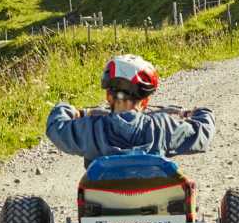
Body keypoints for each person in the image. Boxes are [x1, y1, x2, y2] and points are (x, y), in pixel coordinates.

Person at [44, 53, 215, 159]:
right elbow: (203, 133)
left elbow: (56, 127)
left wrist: (68, 110)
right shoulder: (163, 127)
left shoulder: (90, 129)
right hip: (157, 207)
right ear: (145, 101)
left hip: (104, 205)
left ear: (108, 97)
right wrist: (200, 112)